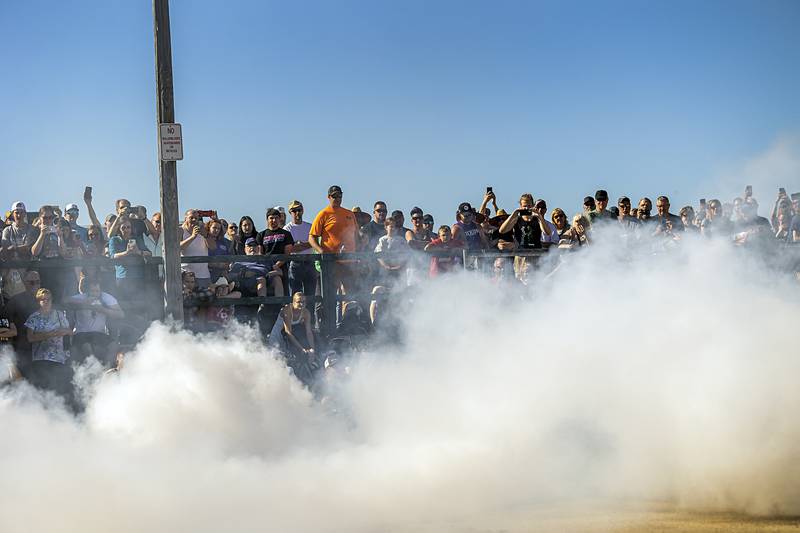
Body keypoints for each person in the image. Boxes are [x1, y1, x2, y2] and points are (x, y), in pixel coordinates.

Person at [24, 288, 74, 402]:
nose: (46, 302)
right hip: (41, 360)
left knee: (58, 390)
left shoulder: (59, 314)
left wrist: (64, 332)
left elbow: (70, 332)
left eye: (48, 299)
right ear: (38, 301)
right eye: (43, 299)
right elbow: (30, 337)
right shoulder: (33, 317)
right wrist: (50, 334)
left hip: (59, 359)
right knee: (43, 390)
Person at [309, 185, 360, 297]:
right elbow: (312, 237)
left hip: (349, 261)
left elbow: (356, 235)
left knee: (352, 295)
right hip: (332, 262)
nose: (337, 199)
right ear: (328, 197)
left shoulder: (349, 214)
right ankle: (328, 315)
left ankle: (350, 314)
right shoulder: (323, 214)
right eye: (334, 196)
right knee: (330, 295)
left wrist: (358, 252)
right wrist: (321, 251)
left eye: (339, 196)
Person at [66, 277, 124, 366]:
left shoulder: (105, 297)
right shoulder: (82, 297)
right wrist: (84, 304)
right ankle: (94, 371)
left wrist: (103, 310)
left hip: (99, 333)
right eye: (92, 291)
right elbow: (65, 300)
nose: (95, 293)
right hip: (81, 334)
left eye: (97, 291)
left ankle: (107, 370)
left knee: (114, 346)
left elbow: (121, 314)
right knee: (87, 347)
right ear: (87, 291)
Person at [1, 201, 39, 299]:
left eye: (21, 212)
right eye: (16, 212)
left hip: (28, 268)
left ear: (25, 214)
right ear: (12, 214)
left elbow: (28, 249)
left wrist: (14, 248)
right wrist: (17, 250)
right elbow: (5, 251)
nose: (19, 215)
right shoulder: (7, 230)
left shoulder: (32, 229)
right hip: (12, 269)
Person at [279, 292, 317, 386]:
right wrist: (302, 349)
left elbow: (308, 332)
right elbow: (288, 332)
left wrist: (312, 349)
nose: (301, 304)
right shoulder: (287, 310)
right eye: (299, 302)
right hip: (279, 332)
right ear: (293, 302)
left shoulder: (306, 313)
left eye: (303, 302)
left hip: (291, 333)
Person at [257, 207, 295, 297]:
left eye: (276, 218)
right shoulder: (261, 235)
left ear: (280, 219)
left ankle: (282, 307)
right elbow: (260, 253)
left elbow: (287, 254)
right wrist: (268, 266)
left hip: (282, 267)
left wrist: (277, 265)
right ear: (267, 219)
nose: (274, 220)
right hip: (265, 267)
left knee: (285, 293)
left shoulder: (286, 234)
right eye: (271, 218)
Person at [284, 200, 317, 297]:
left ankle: (310, 313)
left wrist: (299, 245)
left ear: (303, 211)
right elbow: (291, 249)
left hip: (309, 262)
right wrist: (309, 243)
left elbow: (315, 243)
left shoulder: (310, 226)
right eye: (294, 210)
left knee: (311, 295)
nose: (297, 213)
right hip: (295, 263)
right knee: (295, 295)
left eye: (299, 210)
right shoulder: (287, 229)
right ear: (290, 212)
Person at [179, 209, 211, 288]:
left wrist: (206, 235)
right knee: (187, 298)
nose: (194, 220)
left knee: (205, 298)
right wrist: (193, 237)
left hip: (203, 275)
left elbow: (213, 247)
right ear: (186, 218)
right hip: (187, 275)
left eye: (196, 218)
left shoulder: (202, 230)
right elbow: (178, 247)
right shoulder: (180, 230)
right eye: (191, 218)